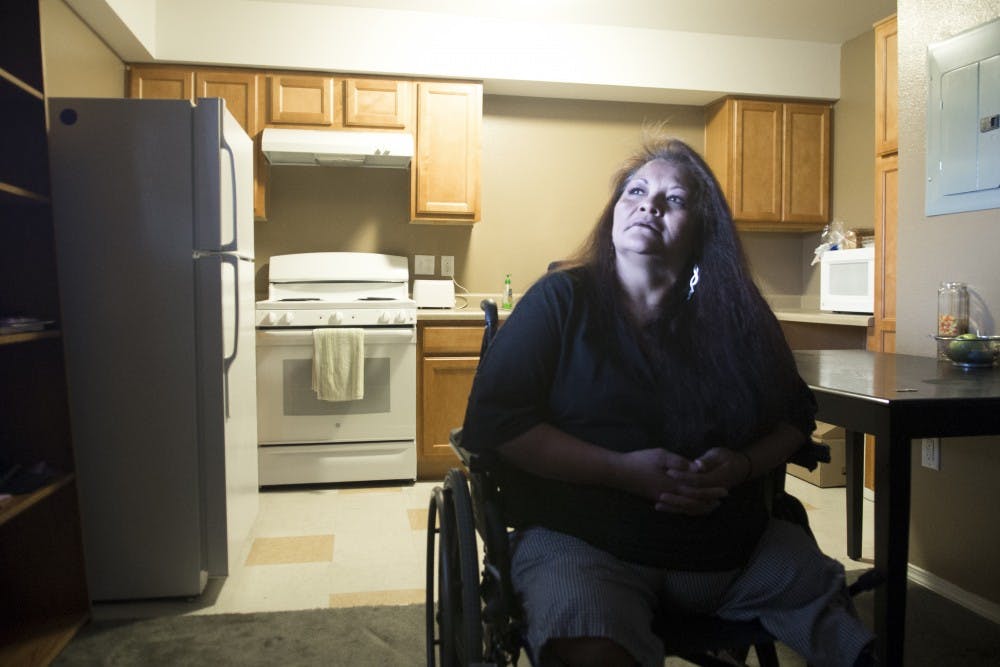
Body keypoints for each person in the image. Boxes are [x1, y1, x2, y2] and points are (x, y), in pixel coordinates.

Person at [461, 137, 874, 667]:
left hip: (733, 551)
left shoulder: (740, 315)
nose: (648, 204)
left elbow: (795, 418)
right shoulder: (559, 301)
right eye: (635, 191)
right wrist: (622, 472)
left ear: (704, 229)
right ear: (614, 213)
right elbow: (496, 425)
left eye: (674, 199)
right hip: (585, 541)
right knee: (588, 644)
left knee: (848, 640)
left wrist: (743, 465)